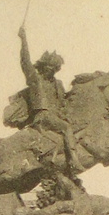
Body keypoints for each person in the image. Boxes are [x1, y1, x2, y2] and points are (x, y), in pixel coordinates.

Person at [13, 24, 82, 174]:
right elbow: (25, 61)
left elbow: (64, 102)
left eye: (56, 68)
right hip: (43, 116)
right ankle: (74, 160)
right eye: (50, 67)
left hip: (56, 116)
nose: (53, 70)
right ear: (43, 66)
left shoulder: (58, 84)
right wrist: (23, 39)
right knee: (66, 128)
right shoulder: (35, 79)